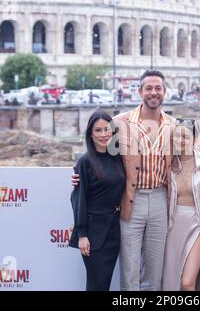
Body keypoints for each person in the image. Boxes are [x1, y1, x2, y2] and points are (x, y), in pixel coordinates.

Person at [72, 70, 175, 291]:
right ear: (140, 91)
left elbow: (186, 163)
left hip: (160, 200)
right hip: (131, 201)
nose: (153, 92)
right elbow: (97, 150)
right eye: (148, 88)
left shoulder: (174, 126)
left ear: (165, 92)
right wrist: (78, 174)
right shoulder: (119, 123)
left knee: (154, 273)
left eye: (158, 88)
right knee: (129, 272)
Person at [69, 110, 126, 291]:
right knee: (96, 286)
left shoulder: (118, 158)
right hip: (93, 234)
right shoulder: (84, 162)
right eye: (98, 130)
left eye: (107, 129)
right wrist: (82, 235)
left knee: (105, 284)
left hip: (113, 231)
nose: (103, 134)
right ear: (91, 135)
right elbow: (79, 199)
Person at [162, 118, 200, 291]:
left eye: (186, 137)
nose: (180, 140)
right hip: (172, 225)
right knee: (171, 280)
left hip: (197, 223)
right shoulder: (167, 163)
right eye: (177, 136)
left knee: (188, 283)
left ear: (195, 139)